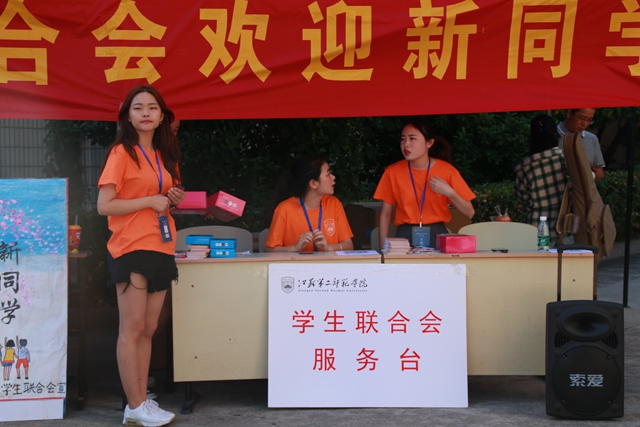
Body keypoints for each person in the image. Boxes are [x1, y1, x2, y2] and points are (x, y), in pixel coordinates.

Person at [97, 85, 184, 426]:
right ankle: (134, 405)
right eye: (138, 107)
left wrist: (172, 198)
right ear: (128, 116)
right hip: (131, 246)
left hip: (161, 245)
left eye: (152, 107)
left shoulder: (165, 155)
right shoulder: (121, 153)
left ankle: (141, 402)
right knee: (131, 329)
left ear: (162, 116)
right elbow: (104, 205)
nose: (145, 112)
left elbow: (165, 197)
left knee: (148, 329)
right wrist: (150, 200)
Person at [373, 118, 475, 250]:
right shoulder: (392, 172)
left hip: (437, 232)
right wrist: (383, 250)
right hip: (404, 235)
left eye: (412, 139)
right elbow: (385, 215)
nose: (406, 144)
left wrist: (449, 192)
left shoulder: (447, 171)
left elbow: (470, 212)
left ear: (429, 143)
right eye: (403, 139)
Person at [265, 154, 354, 252]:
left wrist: (329, 248)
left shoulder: (334, 204)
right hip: (296, 263)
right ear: (313, 183)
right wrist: (294, 248)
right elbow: (269, 250)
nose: (333, 177)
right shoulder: (284, 209)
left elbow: (349, 245)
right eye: (328, 174)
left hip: (328, 262)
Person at [515, 114, 568, 247]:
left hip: (534, 231)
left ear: (532, 138)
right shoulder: (567, 160)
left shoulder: (524, 167)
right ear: (556, 135)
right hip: (565, 228)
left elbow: (522, 198)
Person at [557, 108, 605, 181]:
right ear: (569, 114)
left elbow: (599, 171)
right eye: (582, 118)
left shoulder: (591, 139)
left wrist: (593, 174)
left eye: (589, 120)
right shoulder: (553, 136)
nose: (584, 124)